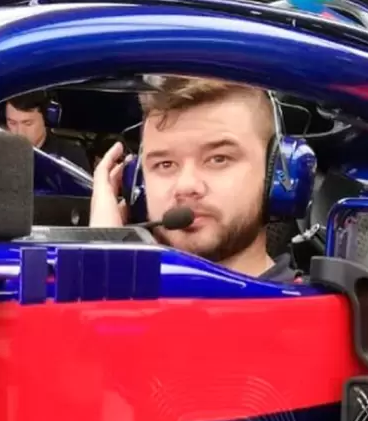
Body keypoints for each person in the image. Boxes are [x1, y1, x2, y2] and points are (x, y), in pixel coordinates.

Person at [89, 76, 300, 283]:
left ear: (277, 173)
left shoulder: (316, 305)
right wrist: (104, 259)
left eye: (218, 159)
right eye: (165, 164)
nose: (186, 185)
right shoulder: (113, 291)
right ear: (136, 184)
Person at [5, 91, 92, 173]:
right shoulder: (1, 153)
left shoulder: (72, 156)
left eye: (28, 124)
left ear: (45, 120)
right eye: (12, 123)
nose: (19, 132)